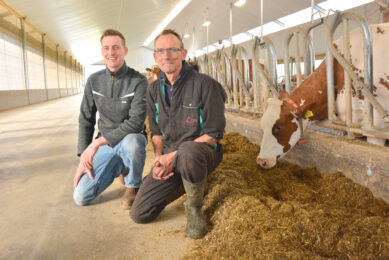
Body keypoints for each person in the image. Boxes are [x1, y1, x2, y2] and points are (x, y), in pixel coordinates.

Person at [130, 29, 226, 239]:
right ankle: (189, 183)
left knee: (188, 152)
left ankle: (194, 207)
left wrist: (171, 157)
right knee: (140, 214)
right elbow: (155, 130)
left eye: (173, 50)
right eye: (161, 51)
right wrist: (158, 159)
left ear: (183, 53)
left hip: (202, 153)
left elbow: (214, 133)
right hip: (171, 155)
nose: (167, 56)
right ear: (155, 57)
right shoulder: (154, 89)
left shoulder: (205, 84)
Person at [73, 29, 148, 210]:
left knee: (133, 144)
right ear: (102, 52)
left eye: (116, 47)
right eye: (106, 48)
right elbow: (86, 118)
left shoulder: (138, 81)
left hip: (131, 136)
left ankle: (132, 186)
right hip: (106, 141)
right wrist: (84, 154)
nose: (111, 52)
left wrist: (97, 143)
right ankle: (122, 167)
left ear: (125, 50)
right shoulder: (94, 81)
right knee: (81, 197)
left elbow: (135, 122)